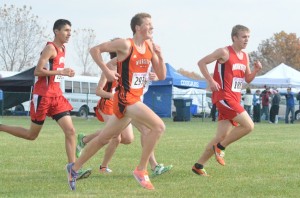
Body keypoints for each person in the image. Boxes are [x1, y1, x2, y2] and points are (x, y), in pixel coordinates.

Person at [66, 13, 167, 191]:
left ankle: (73, 169)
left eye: (152, 24)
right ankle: (141, 170)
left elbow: (162, 75)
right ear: (137, 27)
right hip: (125, 99)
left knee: (104, 138)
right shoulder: (125, 44)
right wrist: (106, 70)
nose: (152, 27)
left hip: (133, 99)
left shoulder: (150, 46)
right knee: (158, 127)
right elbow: (94, 50)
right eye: (148, 24)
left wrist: (160, 55)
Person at [0, 19, 91, 179]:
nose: (69, 34)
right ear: (56, 31)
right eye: (66, 30)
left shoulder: (63, 48)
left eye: (70, 31)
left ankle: (72, 169)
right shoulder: (50, 48)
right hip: (42, 96)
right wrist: (61, 72)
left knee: (70, 131)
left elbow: (54, 70)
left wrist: (64, 72)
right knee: (31, 135)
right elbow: (37, 71)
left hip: (56, 96)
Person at [76, 51, 172, 176]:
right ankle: (101, 166)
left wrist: (155, 76)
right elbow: (98, 91)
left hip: (130, 104)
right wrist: (114, 95)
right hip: (109, 104)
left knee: (128, 138)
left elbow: (150, 78)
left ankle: (85, 141)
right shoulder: (110, 69)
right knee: (118, 136)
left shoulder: (131, 69)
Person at [192, 25, 262, 176]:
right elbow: (201, 63)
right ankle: (220, 148)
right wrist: (210, 80)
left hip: (235, 98)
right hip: (224, 97)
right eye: (244, 37)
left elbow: (247, 79)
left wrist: (256, 71)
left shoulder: (245, 56)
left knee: (220, 136)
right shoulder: (224, 52)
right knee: (249, 125)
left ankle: (199, 165)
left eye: (248, 37)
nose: (247, 40)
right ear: (234, 37)